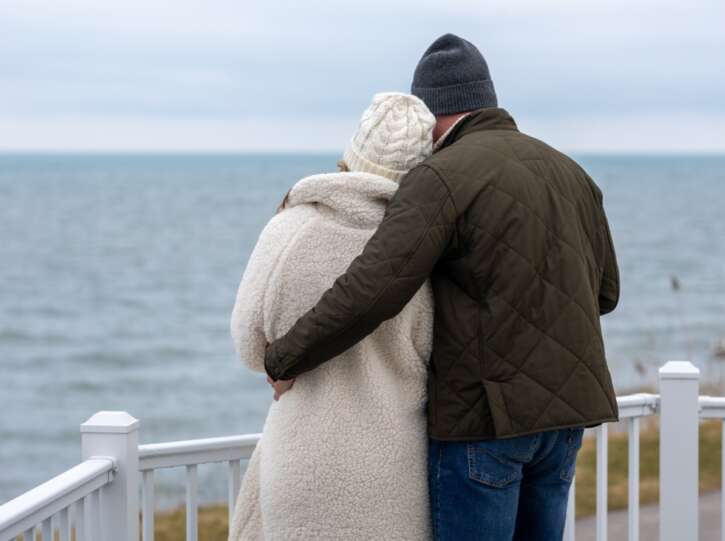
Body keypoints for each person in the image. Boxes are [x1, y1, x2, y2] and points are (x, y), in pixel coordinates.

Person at [264, 34, 621, 541]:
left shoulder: (441, 176)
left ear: (431, 115)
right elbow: (605, 292)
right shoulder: (572, 173)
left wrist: (286, 357)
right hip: (564, 422)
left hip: (486, 422)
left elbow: (375, 287)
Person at [228, 93, 437, 540]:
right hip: (394, 465)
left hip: (301, 462)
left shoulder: (290, 229)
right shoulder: (424, 249)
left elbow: (250, 348)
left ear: (353, 152)